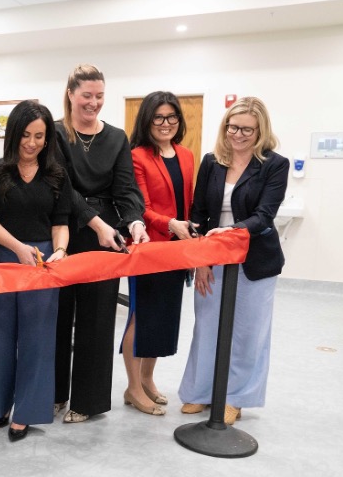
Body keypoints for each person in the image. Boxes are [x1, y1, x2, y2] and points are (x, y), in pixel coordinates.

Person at [178, 97, 288, 425]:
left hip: (255, 260)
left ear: (261, 131)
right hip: (212, 256)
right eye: (233, 127)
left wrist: (230, 233)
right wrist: (201, 259)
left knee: (248, 331)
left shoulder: (274, 164)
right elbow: (198, 212)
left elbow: (264, 215)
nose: (238, 135)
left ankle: (235, 398)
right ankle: (200, 392)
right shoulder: (212, 161)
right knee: (207, 326)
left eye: (247, 130)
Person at [53, 64, 150, 424]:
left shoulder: (116, 138)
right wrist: (95, 223)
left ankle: (88, 402)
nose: (93, 103)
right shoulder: (56, 133)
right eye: (86, 96)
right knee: (58, 316)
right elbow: (62, 187)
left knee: (97, 319)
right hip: (66, 230)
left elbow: (126, 188)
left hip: (107, 236)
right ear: (71, 95)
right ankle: (54, 394)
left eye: (99, 96)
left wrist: (135, 221)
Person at [0, 100, 71, 442]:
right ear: (14, 134)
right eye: (26, 135)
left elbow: (60, 223)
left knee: (38, 338)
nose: (32, 143)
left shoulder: (57, 175)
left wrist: (60, 251)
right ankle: (0, 404)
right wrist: (18, 248)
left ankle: (26, 412)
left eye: (39, 136)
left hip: (42, 262)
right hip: (3, 257)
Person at [120, 91, 196, 416]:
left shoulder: (186, 155)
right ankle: (132, 387)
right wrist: (171, 224)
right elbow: (142, 208)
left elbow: (189, 201)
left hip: (178, 250)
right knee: (141, 316)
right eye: (158, 117)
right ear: (147, 121)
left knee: (163, 318)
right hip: (150, 249)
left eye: (171, 117)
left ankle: (147, 379)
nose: (166, 123)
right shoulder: (137, 156)